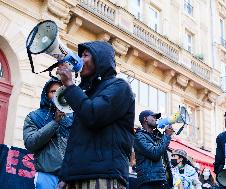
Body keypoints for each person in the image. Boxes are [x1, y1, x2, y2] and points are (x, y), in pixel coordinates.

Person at [56, 41, 135, 189]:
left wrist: (70, 85)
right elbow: (76, 141)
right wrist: (65, 175)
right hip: (76, 177)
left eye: (85, 55)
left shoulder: (120, 87)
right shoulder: (86, 93)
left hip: (103, 176)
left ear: (100, 59)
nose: (81, 59)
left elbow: (93, 116)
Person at [23, 78, 73, 189]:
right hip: (46, 175)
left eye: (60, 91)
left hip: (69, 178)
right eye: (52, 92)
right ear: (46, 94)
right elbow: (30, 143)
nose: (56, 94)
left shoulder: (73, 117)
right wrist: (55, 122)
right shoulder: (34, 117)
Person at [134, 110, 174, 189]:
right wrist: (167, 136)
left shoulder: (157, 136)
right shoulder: (139, 136)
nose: (156, 119)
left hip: (161, 181)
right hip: (149, 181)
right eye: (153, 117)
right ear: (145, 119)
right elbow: (155, 153)